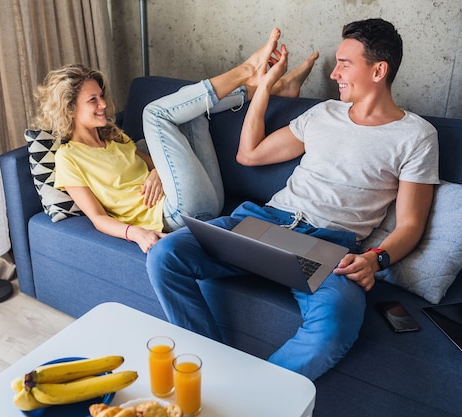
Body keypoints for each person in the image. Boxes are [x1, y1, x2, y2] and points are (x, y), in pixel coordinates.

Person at [146, 18, 439, 381]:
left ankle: (252, 399)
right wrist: (265, 86)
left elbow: (411, 223)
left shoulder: (416, 136)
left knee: (336, 325)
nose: (334, 75)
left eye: (344, 64)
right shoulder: (323, 113)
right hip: (265, 222)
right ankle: (212, 371)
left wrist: (375, 260)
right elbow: (249, 154)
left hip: (328, 246)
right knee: (165, 255)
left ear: (379, 70)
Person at [33, 45, 318, 253]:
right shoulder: (68, 158)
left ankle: (273, 89)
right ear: (70, 109)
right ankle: (248, 74)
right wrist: (138, 234)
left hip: (205, 198)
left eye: (101, 97)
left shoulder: (114, 139)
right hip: (175, 214)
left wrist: (159, 172)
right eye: (92, 100)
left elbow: (156, 162)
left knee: (189, 110)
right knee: (154, 114)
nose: (103, 105)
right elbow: (97, 218)